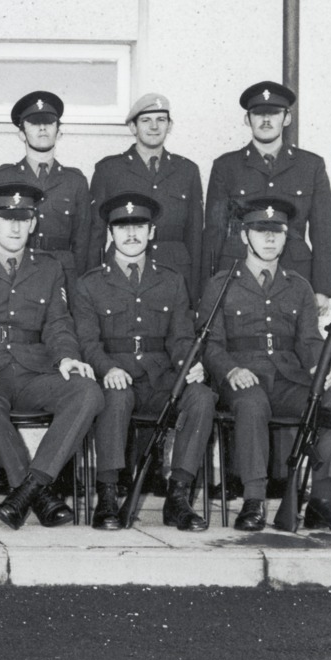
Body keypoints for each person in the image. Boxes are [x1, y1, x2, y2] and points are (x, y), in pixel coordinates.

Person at [198, 197, 331, 534]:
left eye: (278, 232)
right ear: (244, 236)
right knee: (253, 402)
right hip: (240, 379)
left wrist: (319, 366)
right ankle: (254, 499)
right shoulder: (221, 284)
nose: (270, 239)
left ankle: (322, 499)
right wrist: (230, 370)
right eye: (261, 231)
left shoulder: (298, 286)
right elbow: (210, 345)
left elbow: (309, 341)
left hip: (287, 380)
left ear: (286, 237)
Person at [0, 184, 103, 531]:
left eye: (24, 219)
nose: (15, 227)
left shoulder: (49, 267)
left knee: (88, 391)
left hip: (34, 370)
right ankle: (39, 493)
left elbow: (59, 324)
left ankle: (29, 488)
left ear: (33, 224)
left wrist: (66, 358)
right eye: (7, 218)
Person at [71, 192, 214, 531]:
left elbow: (180, 338)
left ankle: (178, 496)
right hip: (115, 374)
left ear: (151, 232)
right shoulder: (89, 284)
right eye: (122, 227)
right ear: (110, 234)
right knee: (115, 396)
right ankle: (107, 494)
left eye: (139, 227)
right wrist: (107, 368)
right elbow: (87, 343)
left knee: (202, 397)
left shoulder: (171, 280)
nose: (131, 234)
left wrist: (189, 363)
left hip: (160, 377)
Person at [202, 81, 331, 316]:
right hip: (238, 274)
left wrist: (322, 289)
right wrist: (209, 287)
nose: (266, 120)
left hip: (294, 273)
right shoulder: (226, 167)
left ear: (286, 118)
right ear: (247, 119)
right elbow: (214, 231)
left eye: (273, 113)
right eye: (258, 114)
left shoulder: (311, 166)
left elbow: (323, 231)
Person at [88, 93, 205, 306]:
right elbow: (95, 234)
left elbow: (195, 236)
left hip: (175, 269)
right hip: (122, 270)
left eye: (161, 120)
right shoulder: (109, 170)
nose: (154, 127)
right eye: (146, 120)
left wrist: (195, 293)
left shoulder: (187, 170)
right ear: (133, 127)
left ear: (170, 126)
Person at [0, 91, 92, 286]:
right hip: (16, 270)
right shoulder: (3, 178)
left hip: (63, 272)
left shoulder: (75, 181)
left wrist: (78, 282)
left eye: (49, 122)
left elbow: (83, 240)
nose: (43, 128)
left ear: (59, 132)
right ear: (21, 134)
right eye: (35, 123)